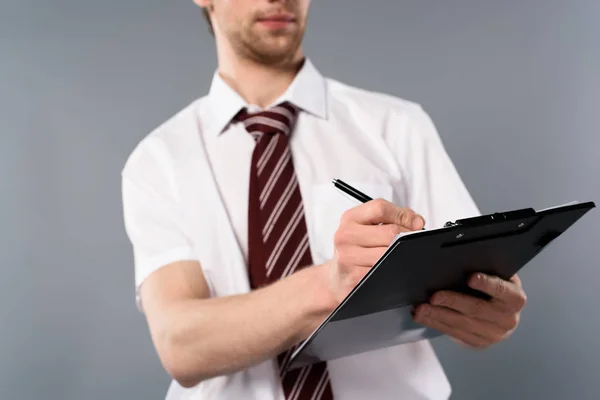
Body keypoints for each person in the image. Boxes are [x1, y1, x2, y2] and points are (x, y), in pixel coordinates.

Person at [120, 0, 528, 399]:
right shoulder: (159, 160)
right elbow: (182, 346)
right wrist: (330, 285)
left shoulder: (397, 126)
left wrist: (488, 312)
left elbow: (474, 285)